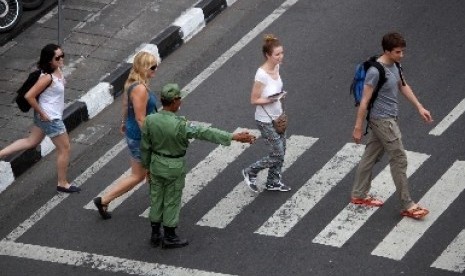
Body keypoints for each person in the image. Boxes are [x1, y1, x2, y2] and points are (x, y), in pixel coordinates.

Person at [140, 83, 256, 249]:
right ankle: (170, 236)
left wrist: (147, 168)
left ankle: (155, 234)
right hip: (174, 166)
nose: (181, 103)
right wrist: (233, 136)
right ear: (174, 101)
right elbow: (205, 133)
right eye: (180, 99)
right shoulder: (181, 125)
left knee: (156, 198)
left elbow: (145, 147)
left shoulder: (150, 120)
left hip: (156, 164)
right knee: (172, 200)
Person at [351, 32, 433, 220]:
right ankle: (407, 204)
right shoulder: (375, 71)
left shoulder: (396, 65)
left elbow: (403, 85)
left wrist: (419, 107)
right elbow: (364, 101)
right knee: (399, 158)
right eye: (398, 52)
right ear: (386, 51)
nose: (401, 55)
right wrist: (357, 126)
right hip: (382, 121)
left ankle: (358, 194)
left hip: (389, 118)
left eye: (402, 51)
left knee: (371, 155)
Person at [0, 44, 79, 193]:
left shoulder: (56, 70)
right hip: (51, 119)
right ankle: (62, 183)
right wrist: (42, 113)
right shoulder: (47, 77)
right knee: (65, 149)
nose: (61, 59)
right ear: (49, 60)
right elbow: (29, 96)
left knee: (31, 142)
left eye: (62, 55)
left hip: (47, 116)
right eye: (57, 57)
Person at [93, 51, 158, 219]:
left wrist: (123, 122)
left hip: (133, 133)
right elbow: (140, 118)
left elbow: (124, 106)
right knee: (138, 175)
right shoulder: (140, 89)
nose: (155, 70)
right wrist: (151, 138)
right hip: (140, 136)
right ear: (143, 68)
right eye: (153, 67)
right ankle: (105, 199)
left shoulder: (132, 83)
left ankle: (157, 199)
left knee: (149, 169)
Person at [241, 34, 291, 193]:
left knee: (282, 149)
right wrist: (272, 100)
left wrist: (280, 95)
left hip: (278, 117)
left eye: (281, 53)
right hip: (265, 120)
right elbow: (254, 99)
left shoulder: (277, 67)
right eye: (277, 54)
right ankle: (251, 171)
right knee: (277, 154)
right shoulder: (261, 75)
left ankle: (273, 181)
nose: (280, 57)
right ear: (267, 55)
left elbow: (276, 88)